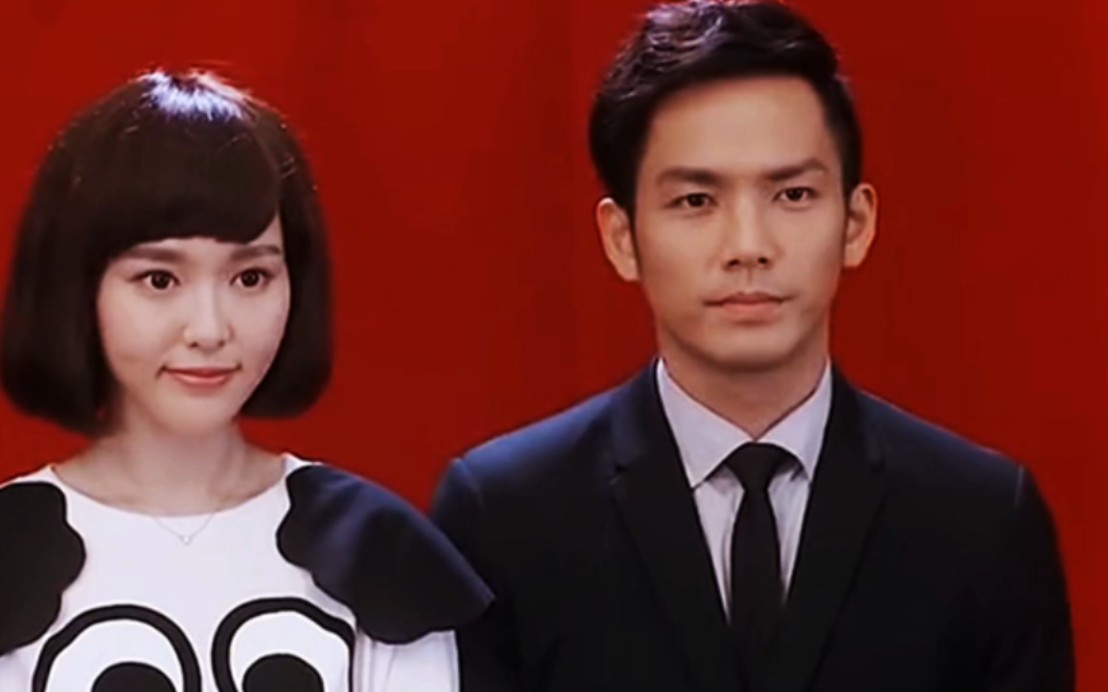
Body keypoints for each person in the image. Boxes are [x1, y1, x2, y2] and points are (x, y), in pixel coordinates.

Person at [430, 1, 1074, 690]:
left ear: (856, 223)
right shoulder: (503, 517)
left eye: (792, 195)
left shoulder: (982, 521)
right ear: (622, 239)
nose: (748, 246)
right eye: (696, 201)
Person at [0, 69, 489, 690]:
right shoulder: (13, 551)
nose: (209, 329)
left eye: (250, 278)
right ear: (77, 286)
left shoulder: (373, 549)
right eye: (159, 279)